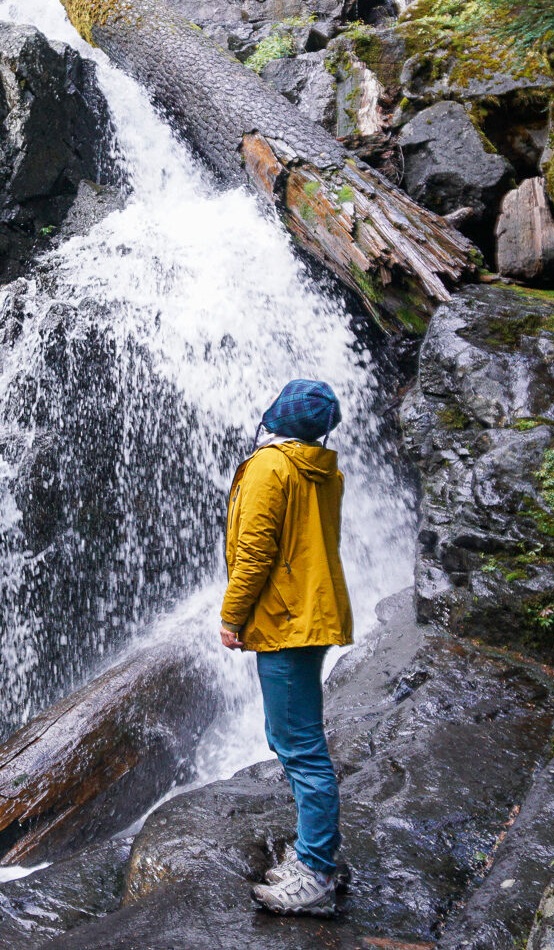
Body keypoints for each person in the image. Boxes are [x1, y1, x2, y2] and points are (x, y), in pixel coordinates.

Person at [219, 378, 352, 918]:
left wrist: (232, 617)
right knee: (294, 737)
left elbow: (254, 551)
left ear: (277, 415)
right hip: (313, 614)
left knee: (298, 745)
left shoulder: (270, 468)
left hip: (285, 618)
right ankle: (311, 853)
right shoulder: (323, 468)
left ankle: (316, 869)